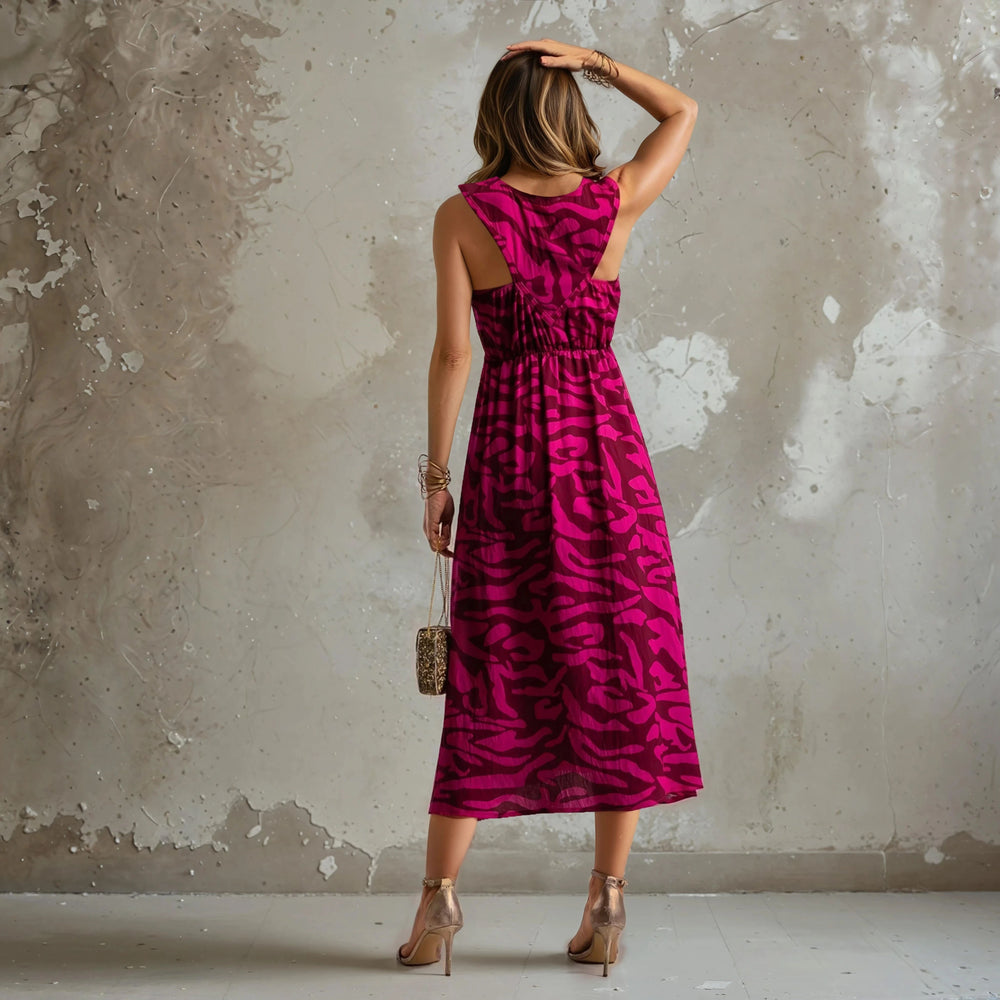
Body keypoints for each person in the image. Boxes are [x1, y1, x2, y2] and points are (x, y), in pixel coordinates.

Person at [399, 37, 703, 977]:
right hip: (606, 457)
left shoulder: (463, 214)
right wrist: (597, 63)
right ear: (569, 113)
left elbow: (454, 354)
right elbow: (683, 112)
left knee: (490, 670)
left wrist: (437, 478)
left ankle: (439, 902)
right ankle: (607, 900)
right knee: (620, 663)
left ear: (495, 115)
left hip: (510, 457)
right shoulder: (613, 202)